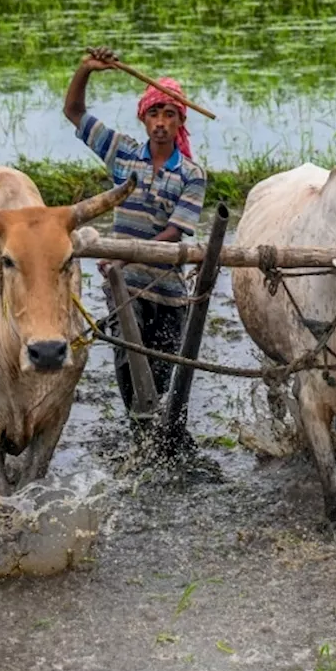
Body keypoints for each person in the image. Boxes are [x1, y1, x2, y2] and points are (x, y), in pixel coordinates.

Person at [63, 46, 207, 418]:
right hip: (125, 287)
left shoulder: (191, 174)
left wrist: (123, 255)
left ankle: (157, 430)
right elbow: (74, 112)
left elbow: (175, 233)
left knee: (163, 374)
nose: (161, 121)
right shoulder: (124, 154)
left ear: (180, 123)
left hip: (168, 288)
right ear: (143, 119)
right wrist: (86, 70)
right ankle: (138, 429)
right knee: (129, 364)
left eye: (170, 114)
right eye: (154, 113)